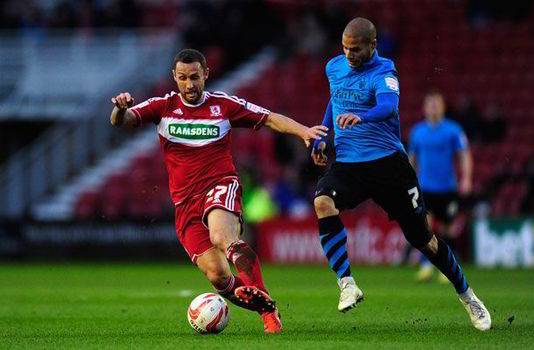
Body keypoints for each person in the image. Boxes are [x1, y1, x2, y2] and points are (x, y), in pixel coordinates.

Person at [110, 49, 328, 333]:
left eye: (195, 77)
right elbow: (120, 121)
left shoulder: (223, 106)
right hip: (185, 203)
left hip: (220, 184)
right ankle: (268, 307)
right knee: (218, 275)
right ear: (174, 78)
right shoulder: (162, 107)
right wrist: (121, 107)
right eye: (183, 78)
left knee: (222, 236)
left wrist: (303, 132)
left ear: (206, 74)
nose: (190, 85)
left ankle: (265, 309)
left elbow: (269, 118)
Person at [310, 18, 491, 331]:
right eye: (345, 48)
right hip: (350, 164)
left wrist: (362, 117)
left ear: (373, 46)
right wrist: (322, 135)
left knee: (425, 241)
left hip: (389, 166)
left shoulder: (384, 72)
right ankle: (347, 283)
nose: (349, 54)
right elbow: (335, 98)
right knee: (323, 202)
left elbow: (388, 106)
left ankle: (467, 296)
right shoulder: (334, 67)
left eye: (356, 49)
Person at [408, 91, 473, 283]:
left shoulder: (454, 130)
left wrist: (466, 178)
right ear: (424, 108)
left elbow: (465, 155)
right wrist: (409, 183)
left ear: (443, 107)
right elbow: (411, 159)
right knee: (425, 227)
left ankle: (448, 266)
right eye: (430, 104)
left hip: (447, 187)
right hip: (425, 187)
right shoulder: (417, 132)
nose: (433, 108)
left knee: (448, 229)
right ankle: (427, 265)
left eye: (437, 104)